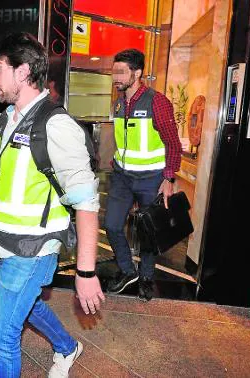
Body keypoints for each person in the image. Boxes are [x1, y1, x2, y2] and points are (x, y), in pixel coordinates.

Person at [0, 32, 105, 378]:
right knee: (30, 306)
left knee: (0, 336)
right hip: (3, 245)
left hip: (32, 251)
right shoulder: (7, 117)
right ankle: (68, 348)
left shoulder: (55, 126)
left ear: (22, 72)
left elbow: (86, 204)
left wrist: (85, 273)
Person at [105, 49, 181, 301]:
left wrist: (168, 179)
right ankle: (128, 271)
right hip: (123, 177)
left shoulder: (156, 102)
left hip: (151, 177)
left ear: (137, 73)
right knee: (112, 225)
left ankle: (146, 276)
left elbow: (172, 142)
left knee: (149, 231)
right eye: (114, 71)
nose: (115, 77)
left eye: (121, 72)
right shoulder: (118, 102)